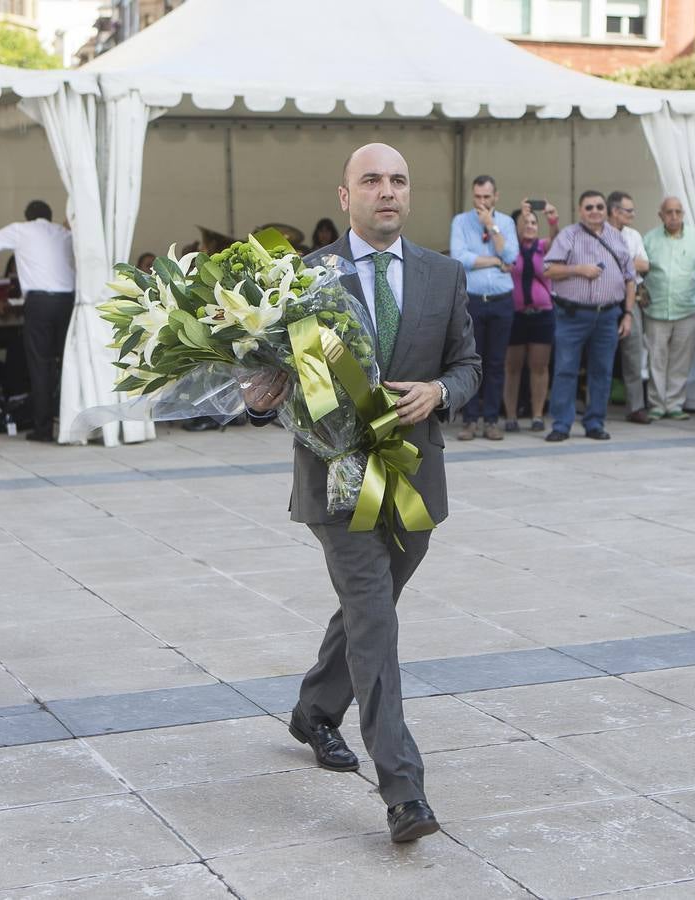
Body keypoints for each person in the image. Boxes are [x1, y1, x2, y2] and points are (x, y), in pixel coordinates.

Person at [242, 143, 480, 844]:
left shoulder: (444, 275)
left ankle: (315, 708)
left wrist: (441, 391)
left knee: (364, 610)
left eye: (398, 180)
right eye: (371, 180)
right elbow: (265, 380)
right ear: (344, 196)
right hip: (334, 480)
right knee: (375, 620)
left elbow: (467, 366)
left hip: (411, 478)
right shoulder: (299, 280)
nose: (387, 191)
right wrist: (258, 399)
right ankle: (403, 789)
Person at [0, 201, 74, 443]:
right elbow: (69, 228)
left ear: (27, 216)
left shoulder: (22, 230)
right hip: (68, 301)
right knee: (69, 362)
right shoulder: (62, 232)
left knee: (41, 365)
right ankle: (72, 423)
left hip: (40, 303)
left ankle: (44, 430)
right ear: (49, 216)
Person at [542, 190, 636, 442]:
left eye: (599, 206)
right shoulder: (569, 236)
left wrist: (627, 314)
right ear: (580, 210)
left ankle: (595, 422)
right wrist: (578, 269)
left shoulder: (617, 238)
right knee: (565, 370)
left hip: (607, 316)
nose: (594, 211)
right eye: (589, 207)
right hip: (572, 316)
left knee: (602, 372)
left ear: (606, 210)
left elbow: (630, 279)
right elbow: (549, 269)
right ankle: (561, 425)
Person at [450, 174, 519, 441]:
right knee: (471, 361)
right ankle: (469, 420)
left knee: (496, 362)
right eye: (477, 197)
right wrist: (494, 260)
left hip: (501, 300)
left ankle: (491, 419)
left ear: (496, 196)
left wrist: (492, 226)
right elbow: (460, 257)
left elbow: (511, 256)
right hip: (473, 300)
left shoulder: (506, 222)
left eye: (486, 197)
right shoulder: (460, 221)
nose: (481, 202)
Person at [642, 196, 695, 420]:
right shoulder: (649, 239)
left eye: (678, 212)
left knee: (681, 360)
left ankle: (674, 404)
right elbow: (640, 271)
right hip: (656, 309)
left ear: (683, 214)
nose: (674, 216)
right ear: (660, 215)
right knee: (657, 358)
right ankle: (656, 404)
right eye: (669, 212)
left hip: (687, 309)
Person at [503, 201, 559, 432]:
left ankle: (537, 415)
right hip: (515, 314)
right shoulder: (509, 248)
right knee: (512, 367)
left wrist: (552, 220)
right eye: (525, 222)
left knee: (539, 367)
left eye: (534, 222)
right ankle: (511, 416)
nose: (530, 225)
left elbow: (556, 239)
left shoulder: (544, 247)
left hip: (542, 314)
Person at [608, 191, 652, 424]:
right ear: (615, 211)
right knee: (601, 353)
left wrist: (618, 260)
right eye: (629, 210)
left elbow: (644, 264)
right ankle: (597, 403)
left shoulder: (633, 235)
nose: (633, 215)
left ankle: (636, 406)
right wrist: (628, 261)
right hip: (604, 299)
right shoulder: (599, 233)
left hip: (631, 298)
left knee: (634, 353)